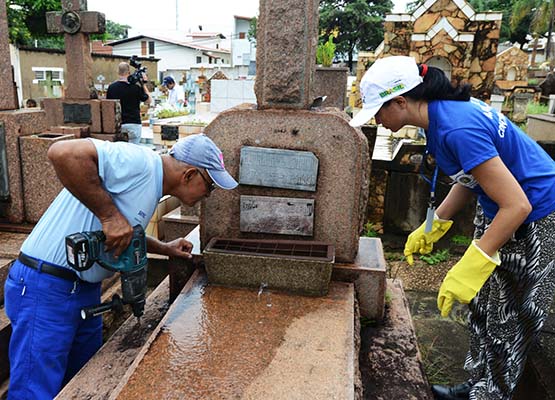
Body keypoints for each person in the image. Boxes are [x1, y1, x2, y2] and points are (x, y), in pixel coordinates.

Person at [350, 56, 555, 400]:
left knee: (509, 322)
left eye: (379, 112)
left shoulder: (458, 126)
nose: (379, 122)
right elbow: (473, 176)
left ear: (401, 101)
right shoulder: (441, 116)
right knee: (484, 309)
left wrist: (472, 261)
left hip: (537, 216)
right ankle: (476, 386)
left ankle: (491, 396)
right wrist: (435, 223)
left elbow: (518, 204)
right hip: (504, 210)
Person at [4, 133, 237, 399]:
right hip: (46, 287)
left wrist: (163, 247)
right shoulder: (141, 163)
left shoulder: (152, 185)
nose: (209, 194)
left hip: (82, 289)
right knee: (35, 389)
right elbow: (62, 153)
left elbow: (125, 232)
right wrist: (109, 215)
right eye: (210, 186)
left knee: (82, 381)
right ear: (189, 174)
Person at [107, 62, 152, 144]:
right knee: (134, 151)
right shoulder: (135, 87)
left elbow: (108, 106)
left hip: (119, 124)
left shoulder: (111, 88)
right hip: (134, 123)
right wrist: (143, 84)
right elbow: (148, 100)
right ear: (129, 72)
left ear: (118, 72)